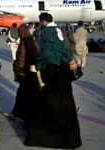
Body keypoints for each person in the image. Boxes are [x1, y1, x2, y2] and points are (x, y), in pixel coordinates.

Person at [25, 13, 82, 149]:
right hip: (63, 73)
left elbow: (43, 58)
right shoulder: (60, 39)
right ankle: (70, 139)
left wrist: (36, 67)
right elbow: (66, 53)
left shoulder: (47, 40)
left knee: (48, 105)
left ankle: (47, 137)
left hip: (51, 74)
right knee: (66, 104)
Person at [3, 24, 41, 125]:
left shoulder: (28, 41)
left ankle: (26, 117)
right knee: (22, 94)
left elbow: (33, 56)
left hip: (26, 73)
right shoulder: (27, 40)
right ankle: (16, 114)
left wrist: (25, 69)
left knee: (26, 95)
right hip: (24, 73)